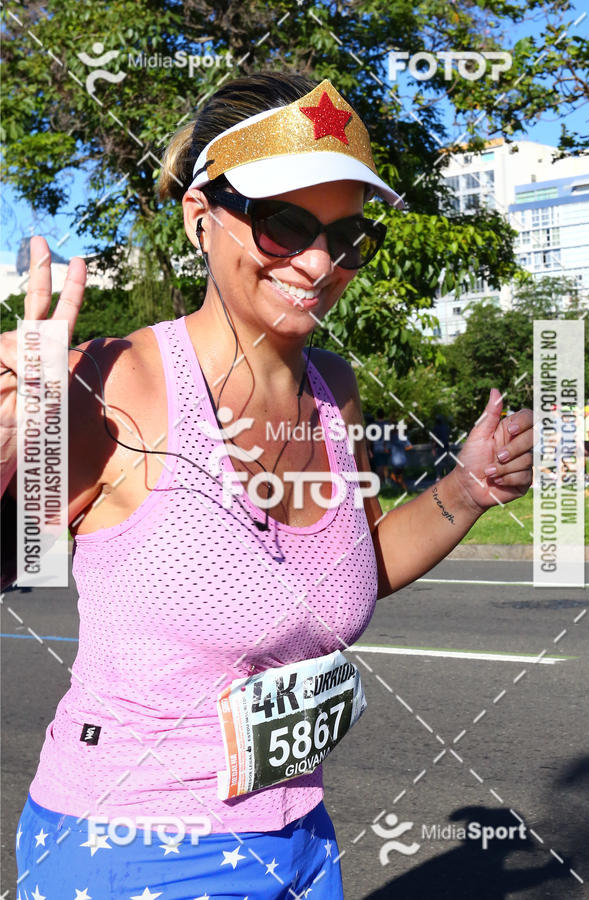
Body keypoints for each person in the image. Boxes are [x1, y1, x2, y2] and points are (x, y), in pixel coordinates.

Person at [1, 72, 534, 899]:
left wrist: (464, 490)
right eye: (284, 226)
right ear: (200, 217)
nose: (319, 263)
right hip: (133, 846)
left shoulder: (334, 388)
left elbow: (347, 571)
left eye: (347, 237)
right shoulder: (115, 382)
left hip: (301, 843)